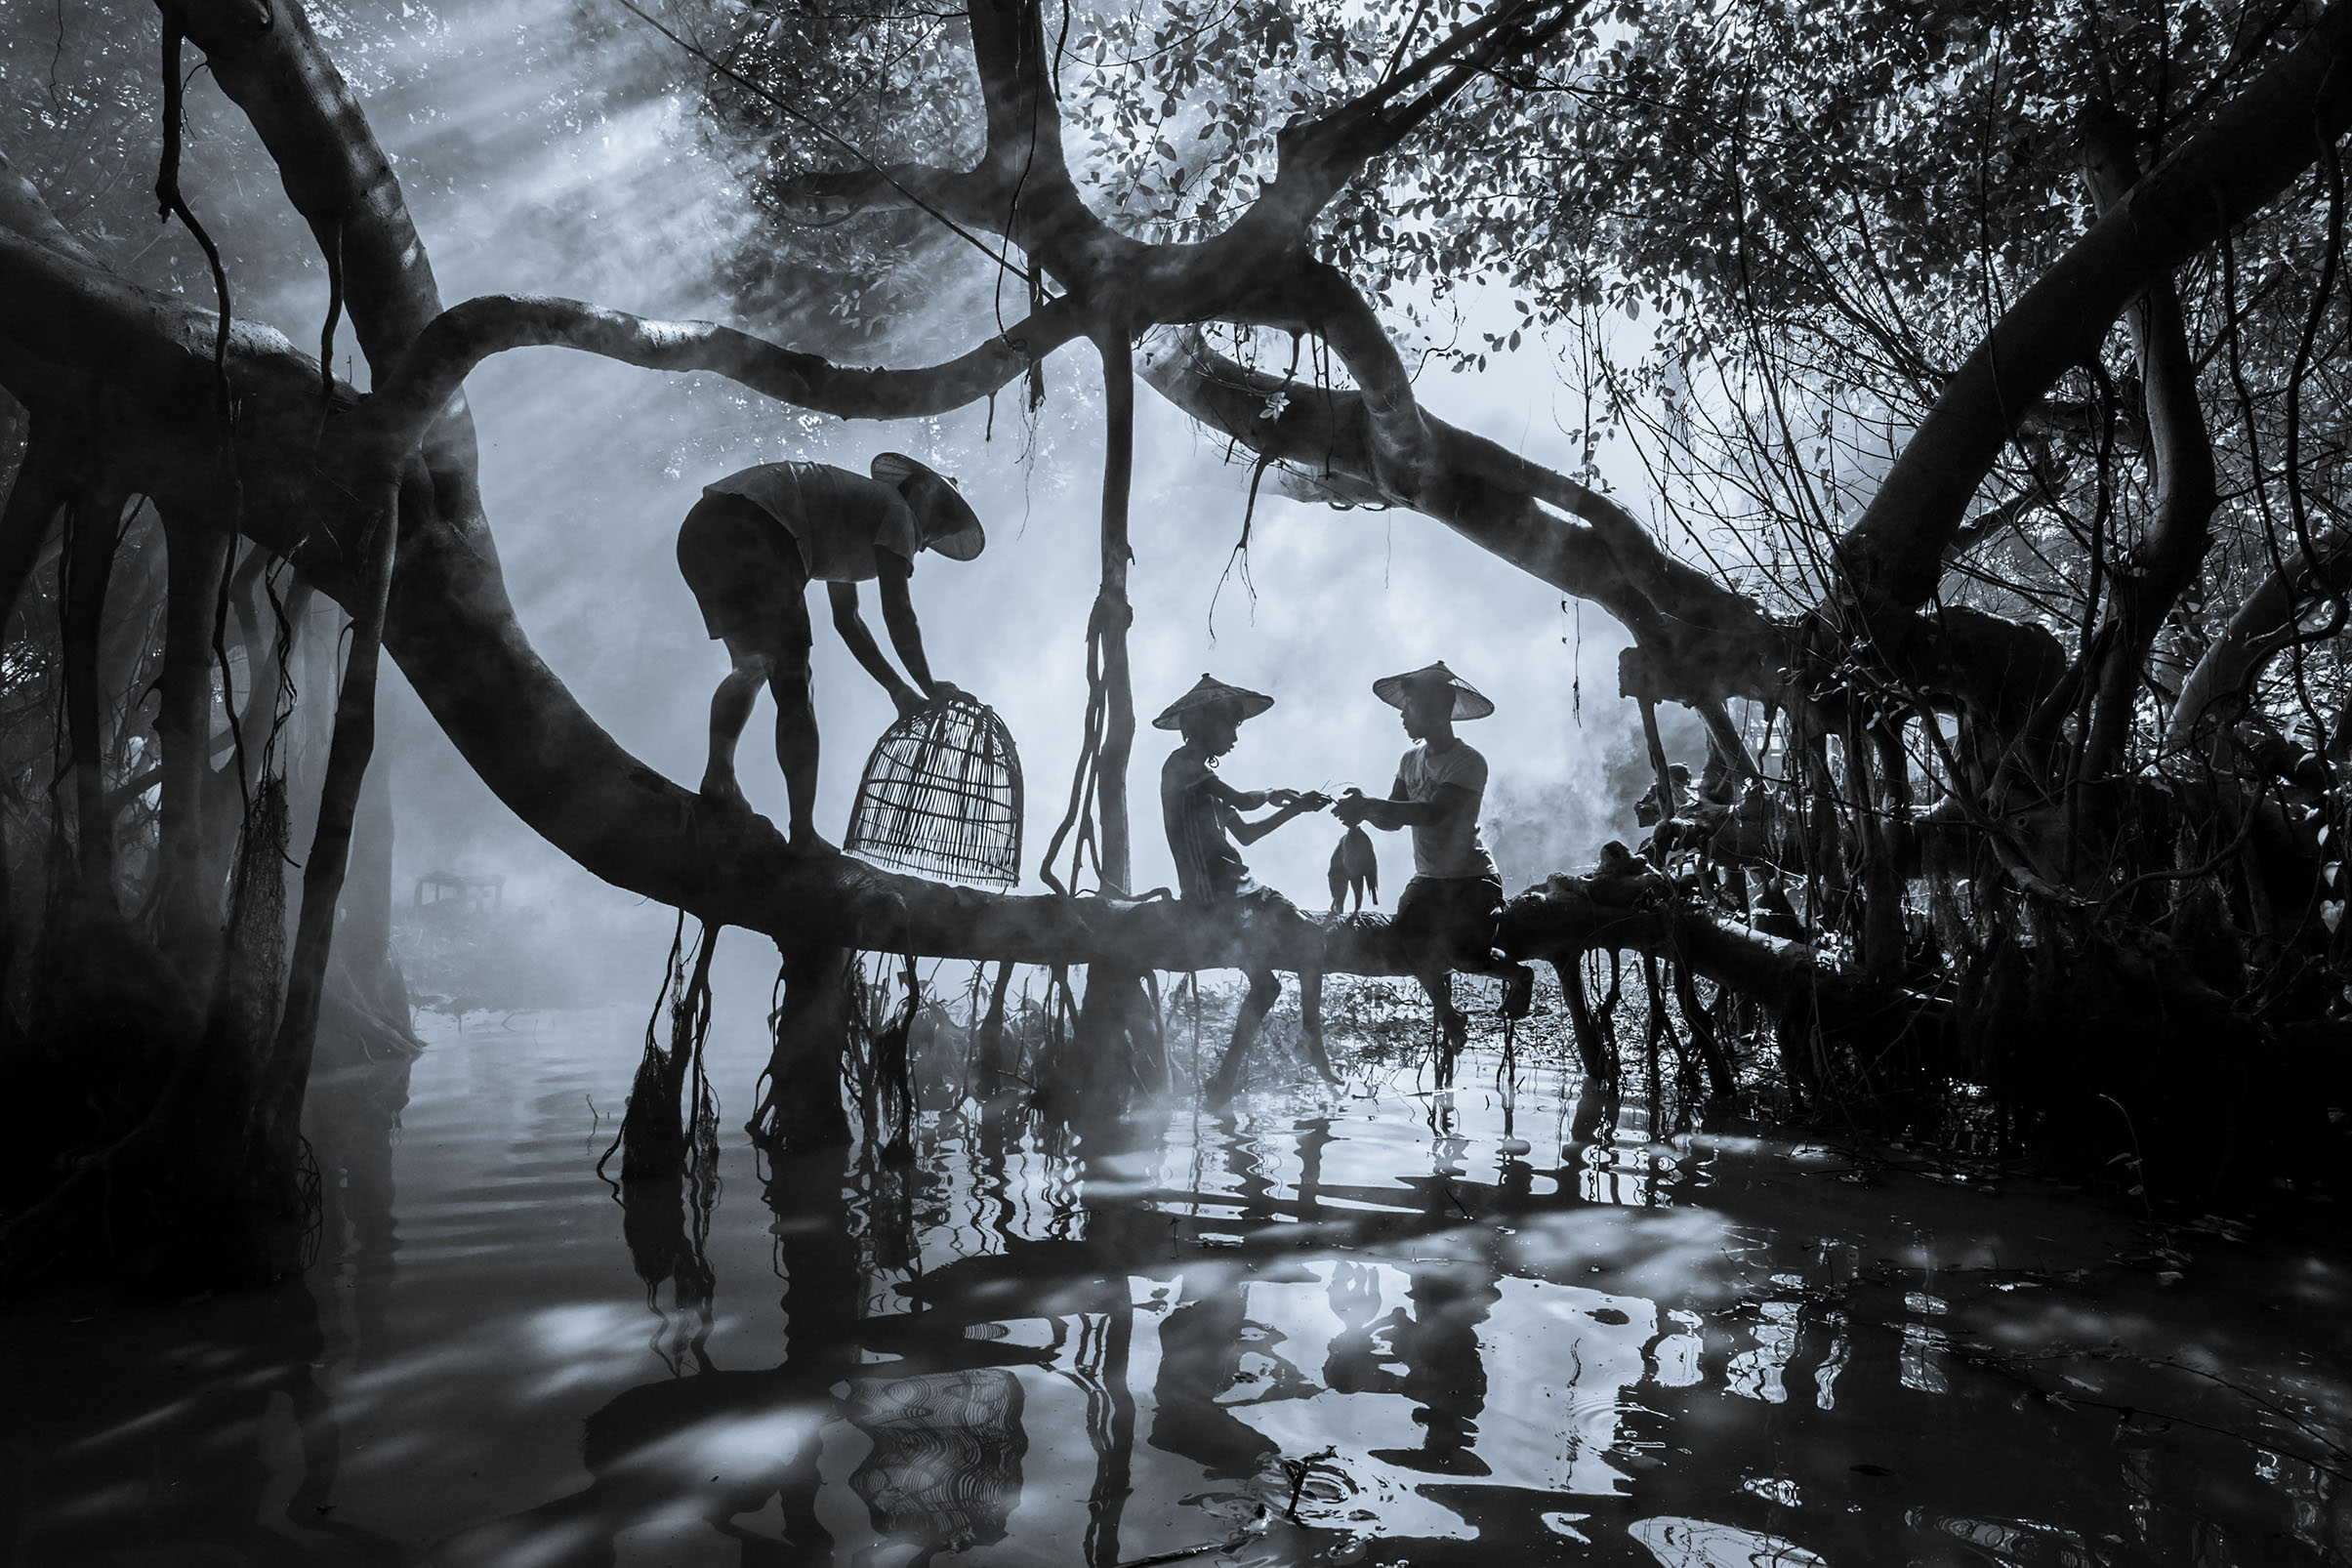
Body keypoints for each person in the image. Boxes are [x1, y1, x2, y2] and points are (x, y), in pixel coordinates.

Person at [676, 453, 984, 849]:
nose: (923, 547)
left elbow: (848, 620)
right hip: (756, 526)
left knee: (753, 666)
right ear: (923, 499)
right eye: (935, 530)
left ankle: (720, 774)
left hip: (705, 530)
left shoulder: (858, 512)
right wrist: (930, 685)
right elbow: (898, 612)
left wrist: (897, 689)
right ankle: (803, 835)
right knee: (794, 680)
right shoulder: (900, 513)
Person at [1333, 661, 1534, 1079]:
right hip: (1430, 879)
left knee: (1464, 955)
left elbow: (1434, 813)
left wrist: (1371, 805)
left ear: (1436, 709)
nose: (1403, 716)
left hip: (1471, 878)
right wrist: (1364, 813)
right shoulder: (1409, 760)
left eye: (1409, 708)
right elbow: (1393, 819)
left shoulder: (1468, 762)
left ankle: (1518, 976)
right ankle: (1448, 1015)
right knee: (1408, 942)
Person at [1154, 675, 1333, 1102]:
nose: (1235, 737)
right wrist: (1273, 793)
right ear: (1203, 725)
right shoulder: (1182, 767)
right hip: (1213, 900)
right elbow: (1247, 801)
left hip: (1242, 892)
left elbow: (1247, 834)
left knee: (1309, 940)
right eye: (1230, 726)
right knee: (1269, 981)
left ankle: (1309, 1038)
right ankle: (1230, 1076)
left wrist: (1296, 809)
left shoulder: (1204, 783)